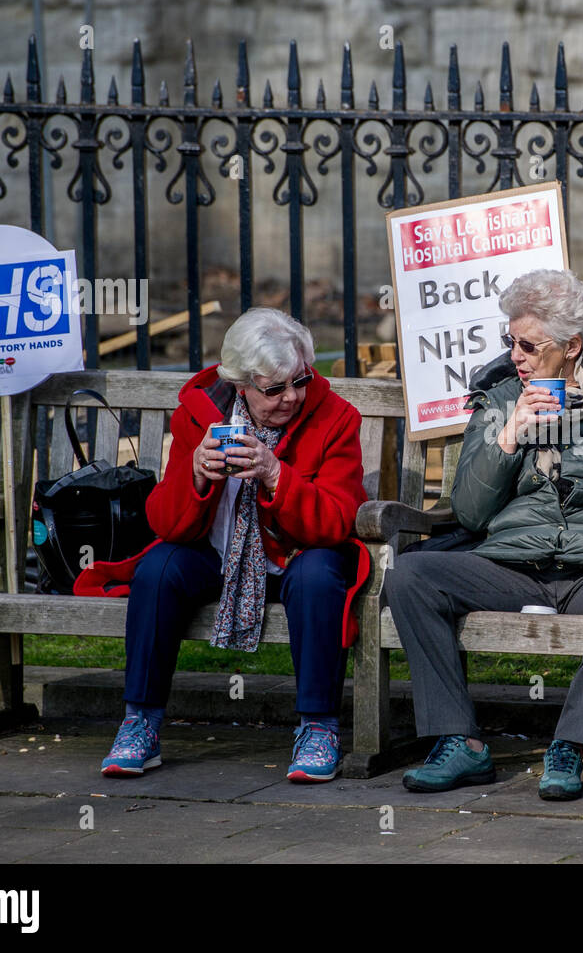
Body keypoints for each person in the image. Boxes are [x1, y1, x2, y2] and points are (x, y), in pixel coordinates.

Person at [384, 269, 583, 800]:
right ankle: (459, 741)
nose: (516, 354)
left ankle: (569, 744)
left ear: (572, 346)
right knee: (412, 574)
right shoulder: (499, 399)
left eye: (530, 345)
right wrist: (508, 435)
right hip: (513, 566)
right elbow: (468, 511)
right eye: (510, 340)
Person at [84, 307, 369, 782]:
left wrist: (277, 476)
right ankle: (140, 722)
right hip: (219, 556)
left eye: (299, 381)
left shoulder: (336, 418)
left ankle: (319, 726)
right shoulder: (201, 413)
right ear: (240, 385)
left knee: (320, 573)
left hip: (299, 553)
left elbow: (338, 520)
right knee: (157, 568)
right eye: (274, 389)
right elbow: (166, 522)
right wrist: (195, 474)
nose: (292, 397)